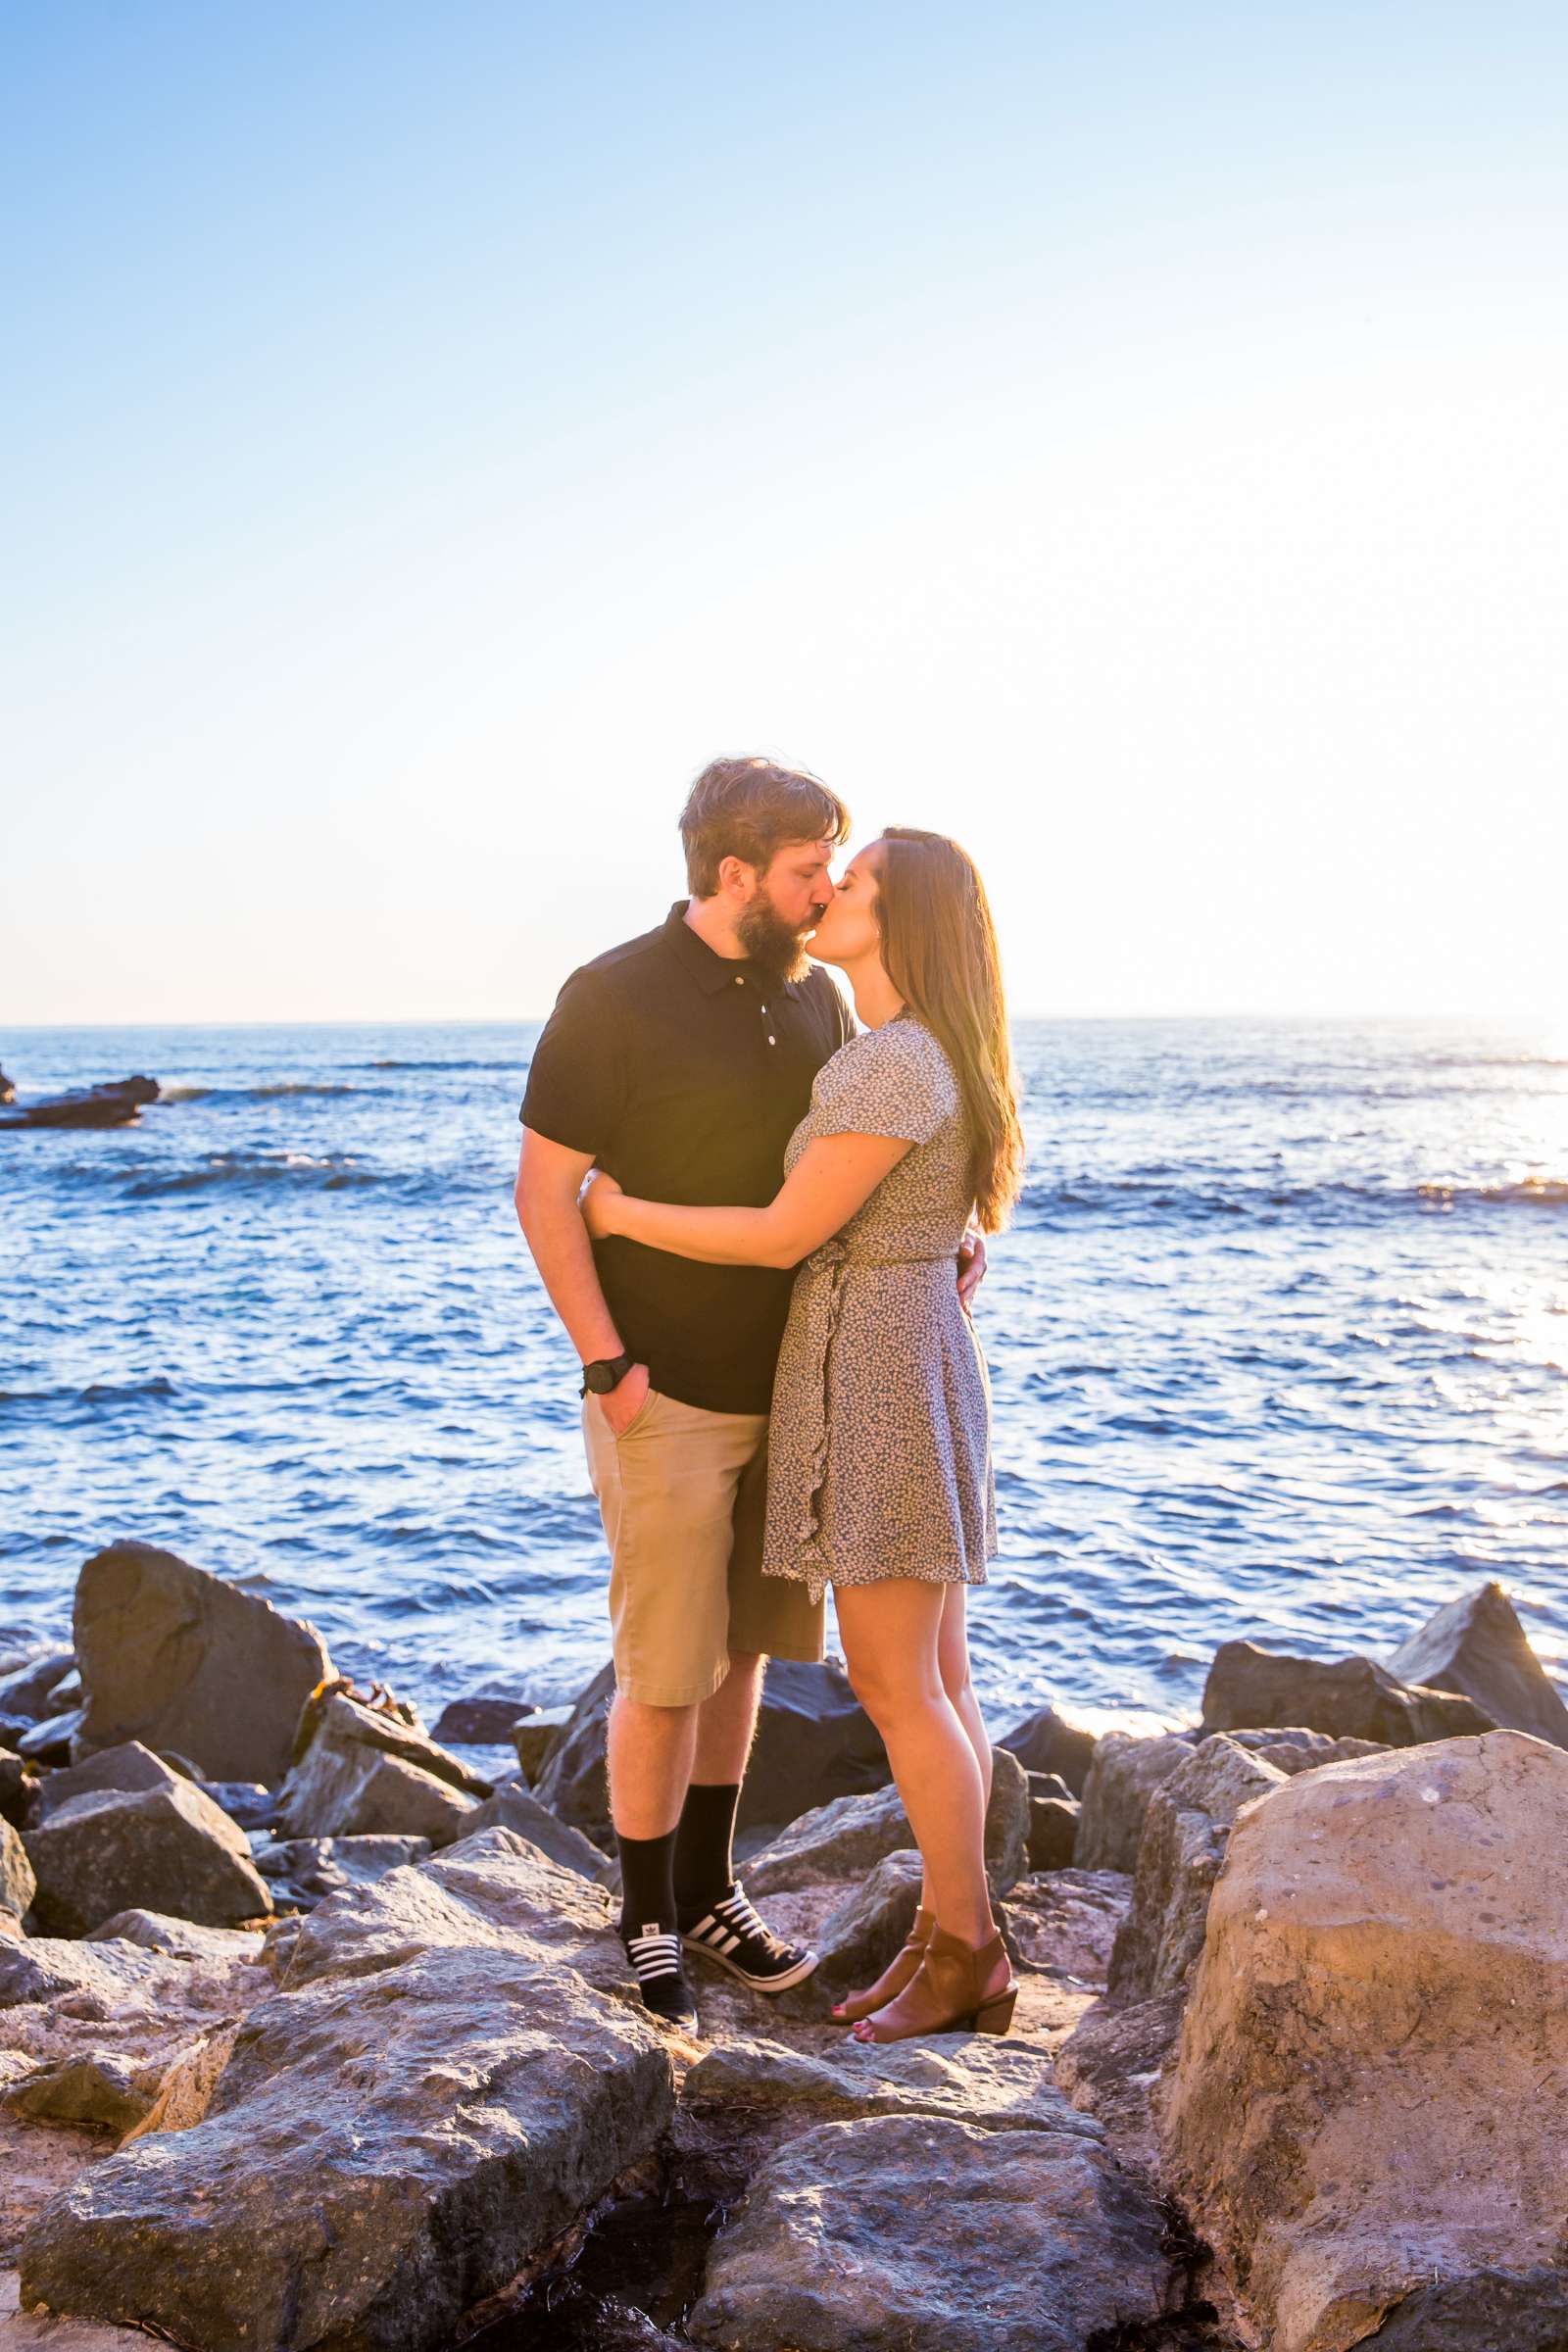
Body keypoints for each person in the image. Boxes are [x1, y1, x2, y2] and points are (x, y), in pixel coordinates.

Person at [514, 760, 989, 2031]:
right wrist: (607, 1362)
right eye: (809, 866)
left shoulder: (826, 1003)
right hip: (662, 1391)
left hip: (806, 1388)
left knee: (742, 1663)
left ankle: (716, 1891)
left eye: (843, 867)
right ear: (738, 874)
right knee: (666, 1665)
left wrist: (937, 1233)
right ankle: (643, 1916)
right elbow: (542, 1195)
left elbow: (837, 1191)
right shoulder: (610, 997)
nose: (828, 883)